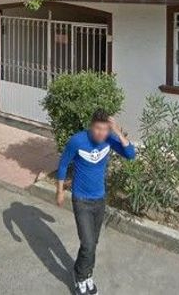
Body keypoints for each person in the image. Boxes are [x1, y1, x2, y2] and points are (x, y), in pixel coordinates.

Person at [56, 109, 136, 295]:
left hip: (99, 199)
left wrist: (116, 131)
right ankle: (80, 277)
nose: (101, 133)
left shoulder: (109, 139)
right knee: (88, 243)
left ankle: (86, 274)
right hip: (81, 199)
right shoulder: (77, 141)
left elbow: (130, 154)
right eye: (98, 128)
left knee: (93, 242)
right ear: (91, 126)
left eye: (105, 129)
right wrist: (60, 191)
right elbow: (63, 164)